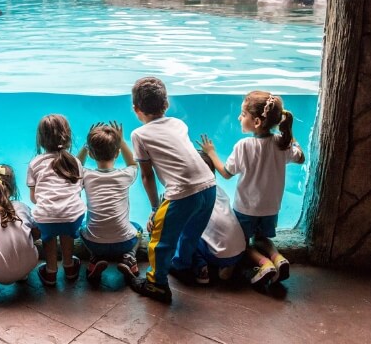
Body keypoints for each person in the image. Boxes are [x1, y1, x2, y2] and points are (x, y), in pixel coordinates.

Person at [199, 91, 305, 286]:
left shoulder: (244, 146)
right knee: (262, 238)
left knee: (242, 244)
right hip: (271, 208)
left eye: (243, 114)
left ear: (256, 122)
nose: (240, 118)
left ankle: (264, 265)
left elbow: (226, 173)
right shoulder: (281, 144)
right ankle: (278, 258)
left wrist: (211, 153)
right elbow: (301, 158)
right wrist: (291, 137)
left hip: (246, 209)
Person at [128, 77, 216, 303]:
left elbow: (147, 175)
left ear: (136, 109)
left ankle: (156, 284)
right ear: (166, 104)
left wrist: (155, 208)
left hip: (182, 194)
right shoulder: (179, 124)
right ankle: (182, 265)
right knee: (190, 233)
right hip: (209, 187)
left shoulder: (139, 135)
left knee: (159, 241)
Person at [76, 121, 142, 285]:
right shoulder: (125, 175)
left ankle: (95, 258)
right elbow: (134, 163)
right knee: (138, 227)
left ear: (91, 154)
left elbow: (75, 167)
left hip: (95, 243)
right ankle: (130, 258)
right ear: (117, 153)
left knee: (81, 226)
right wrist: (122, 141)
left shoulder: (86, 175)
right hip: (124, 242)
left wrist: (86, 145)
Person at [27, 114, 86, 286]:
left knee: (49, 233)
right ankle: (69, 266)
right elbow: (77, 193)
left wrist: (51, 204)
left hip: (46, 218)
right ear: (67, 137)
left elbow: (34, 198)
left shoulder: (35, 163)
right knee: (66, 228)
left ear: (41, 139)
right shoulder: (75, 162)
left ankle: (51, 271)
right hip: (73, 216)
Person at [0, 164, 39, 284]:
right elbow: (37, 234)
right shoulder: (22, 207)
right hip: (29, 264)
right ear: (14, 188)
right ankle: (20, 272)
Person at [191, 152, 246, 284]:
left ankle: (202, 269)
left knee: (186, 234)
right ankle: (228, 265)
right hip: (240, 250)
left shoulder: (192, 196)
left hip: (219, 254)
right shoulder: (219, 190)